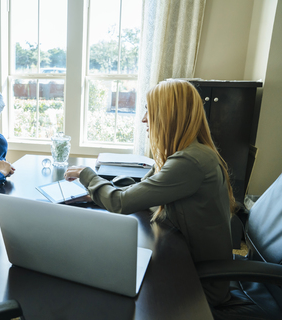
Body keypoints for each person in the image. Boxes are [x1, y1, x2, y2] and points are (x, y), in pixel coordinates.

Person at [64, 79, 235, 306]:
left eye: (149, 110)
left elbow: (121, 202)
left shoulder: (189, 161)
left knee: (103, 285)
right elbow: (138, 193)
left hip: (200, 282)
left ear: (169, 115)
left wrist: (87, 175)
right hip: (183, 259)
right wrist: (94, 194)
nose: (144, 118)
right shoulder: (183, 153)